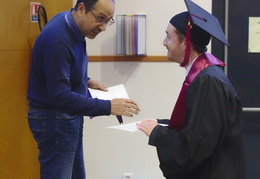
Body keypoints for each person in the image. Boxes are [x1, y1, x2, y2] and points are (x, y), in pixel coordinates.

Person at [27, 0, 140, 178]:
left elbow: (59, 69)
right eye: (100, 18)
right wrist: (108, 107)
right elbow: (60, 97)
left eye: (108, 21)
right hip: (55, 119)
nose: (103, 27)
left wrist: (85, 80)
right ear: (81, 9)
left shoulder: (70, 23)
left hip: (65, 117)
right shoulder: (59, 39)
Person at [137, 0, 245, 178]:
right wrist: (162, 123)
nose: (164, 42)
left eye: (168, 36)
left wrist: (157, 133)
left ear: (185, 42)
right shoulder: (205, 75)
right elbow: (199, 124)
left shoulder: (209, 81)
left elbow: (198, 143)